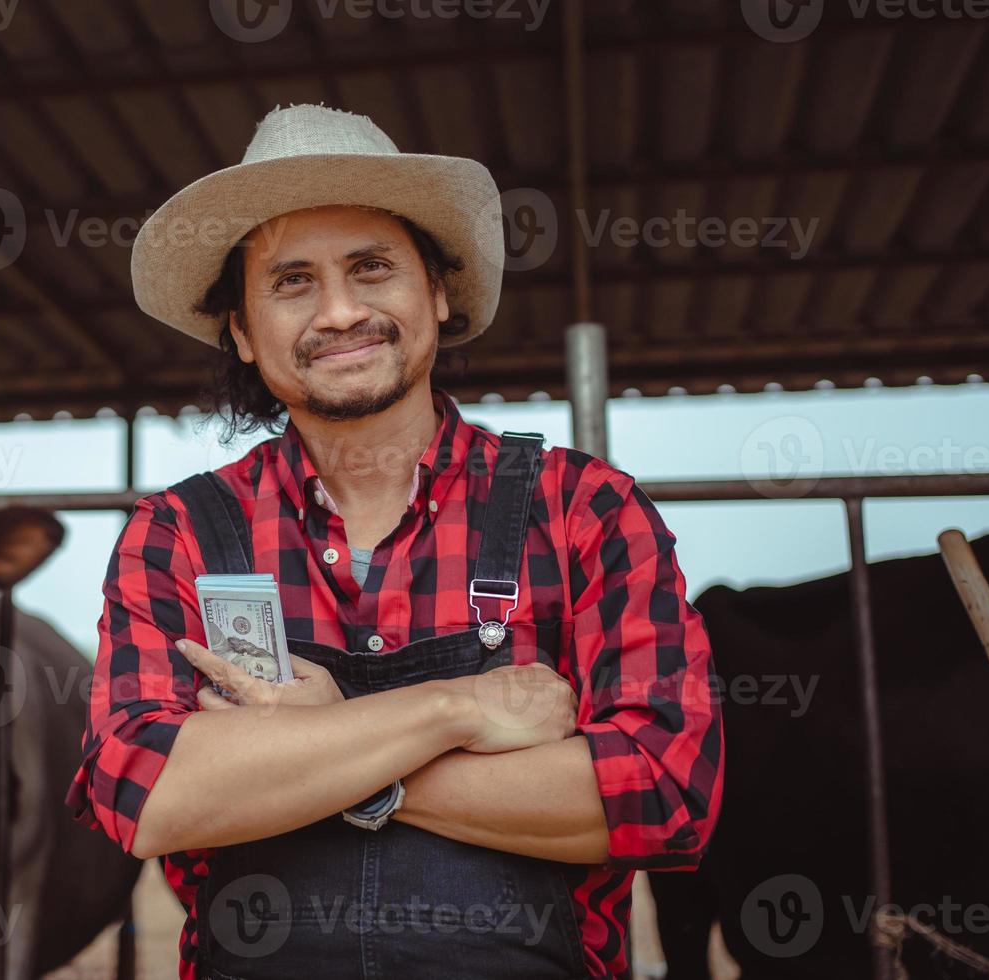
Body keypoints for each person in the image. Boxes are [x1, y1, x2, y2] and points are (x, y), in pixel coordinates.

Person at [65, 103, 724, 980]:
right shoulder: (178, 532)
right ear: (241, 332)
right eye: (292, 281)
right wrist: (453, 713)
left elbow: (659, 793)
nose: (340, 310)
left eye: (372, 267)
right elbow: (145, 791)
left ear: (438, 294)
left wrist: (330, 750)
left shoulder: (585, 509)